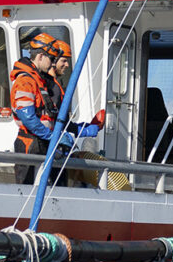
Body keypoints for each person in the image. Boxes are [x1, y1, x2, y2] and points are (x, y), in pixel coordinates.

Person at [12, 33, 105, 185]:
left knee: (54, 188)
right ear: (41, 56)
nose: (53, 63)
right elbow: (27, 117)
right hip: (30, 143)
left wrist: (83, 129)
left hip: (43, 142)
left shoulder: (40, 81)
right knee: (26, 190)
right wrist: (53, 137)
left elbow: (55, 118)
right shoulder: (26, 81)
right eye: (53, 58)